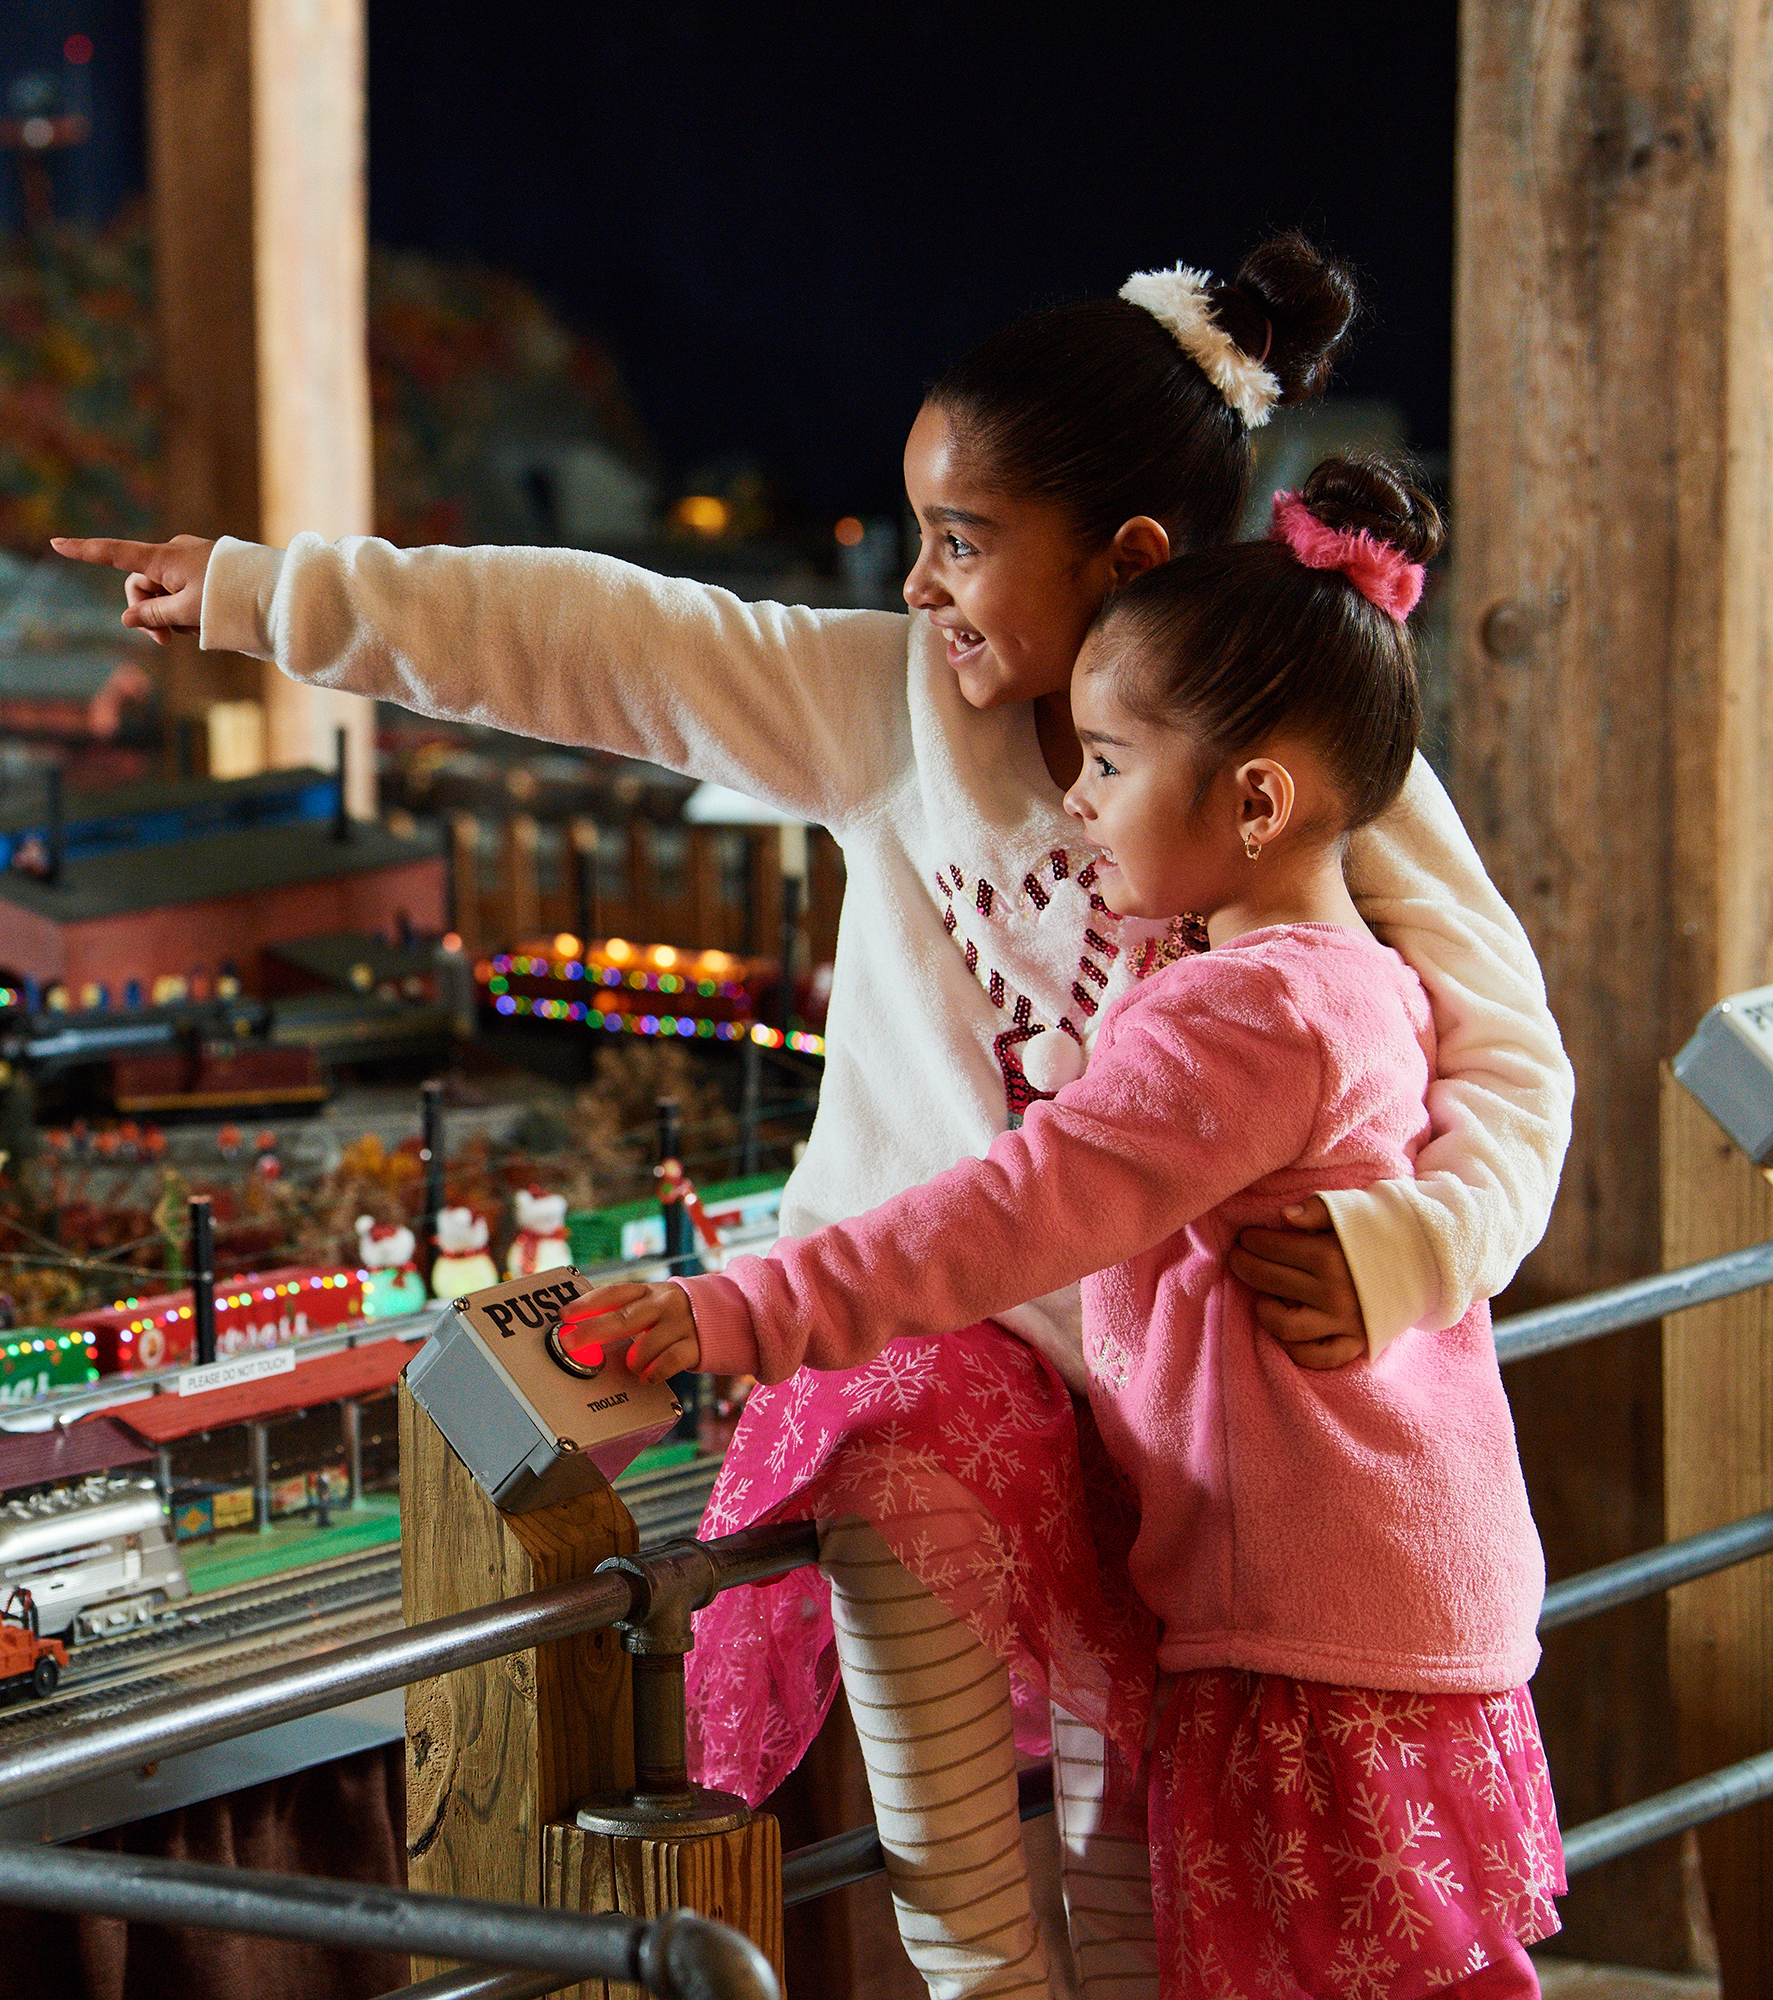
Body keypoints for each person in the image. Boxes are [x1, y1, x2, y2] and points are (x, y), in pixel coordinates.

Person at [54, 238, 1571, 1997]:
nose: (921, 586)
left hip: (1204, 1420)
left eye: (964, 543)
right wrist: (265, 593)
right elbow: (605, 639)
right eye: (918, 534)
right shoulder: (887, 705)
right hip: (928, 1327)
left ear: (1128, 559)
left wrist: (1417, 1245)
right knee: (940, 1689)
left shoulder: (1280, 715)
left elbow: (1506, 1050)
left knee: (1151, 1854)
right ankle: (977, 1973)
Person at [602, 455, 1562, 1997]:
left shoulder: (1242, 1017)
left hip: (1308, 1612)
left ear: (1254, 801)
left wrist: (744, 1312)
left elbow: (1014, 1213)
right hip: (1383, 1580)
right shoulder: (1361, 979)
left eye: (1110, 763)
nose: (1075, 798)